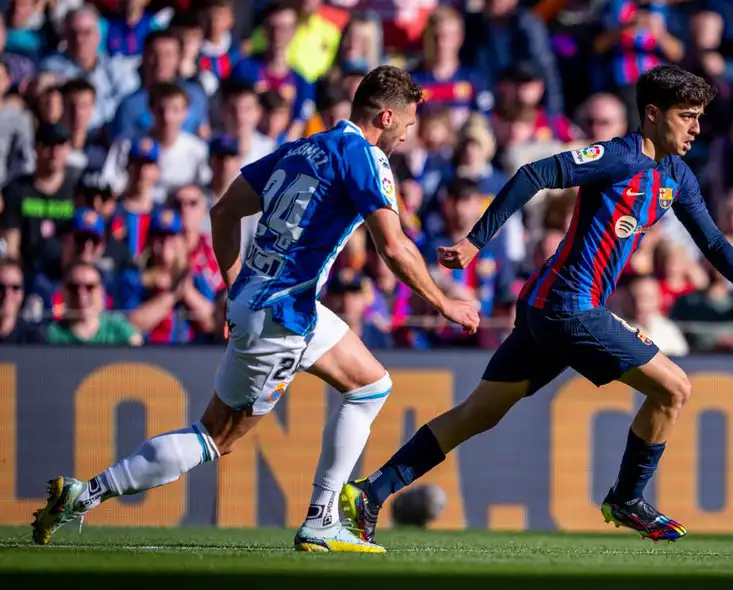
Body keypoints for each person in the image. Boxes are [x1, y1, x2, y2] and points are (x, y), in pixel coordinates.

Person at [31, 66, 479, 553]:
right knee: (214, 438)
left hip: (272, 301)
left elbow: (223, 211)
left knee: (371, 385)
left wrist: (233, 285)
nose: (407, 136)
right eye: (407, 126)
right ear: (387, 116)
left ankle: (323, 517)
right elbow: (392, 247)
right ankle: (84, 494)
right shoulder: (365, 157)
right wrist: (443, 303)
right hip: (281, 317)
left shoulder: (301, 148)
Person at [340, 64, 733, 549]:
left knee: (478, 413)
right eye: (687, 116)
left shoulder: (676, 175)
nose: (696, 128)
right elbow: (534, 173)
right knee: (674, 389)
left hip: (545, 308)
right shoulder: (618, 157)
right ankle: (627, 498)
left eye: (700, 117)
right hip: (568, 308)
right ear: (653, 115)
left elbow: (713, 239)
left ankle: (370, 492)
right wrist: (474, 242)